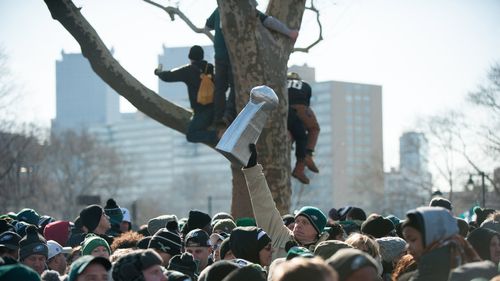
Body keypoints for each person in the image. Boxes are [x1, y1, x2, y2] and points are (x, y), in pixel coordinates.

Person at [205, 2, 299, 130]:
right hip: (235, 54)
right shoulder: (243, 9)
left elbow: (207, 26)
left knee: (220, 88)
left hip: (219, 53)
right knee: (235, 86)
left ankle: (217, 119)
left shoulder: (219, 9)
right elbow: (268, 21)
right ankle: (228, 116)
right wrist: (289, 33)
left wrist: (217, 37)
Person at [242, 144, 329, 260]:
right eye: (297, 221)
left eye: (305, 223)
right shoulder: (280, 236)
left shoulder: (325, 253)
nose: (298, 226)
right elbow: (263, 203)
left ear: (317, 231)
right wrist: (252, 168)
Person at [155, 45, 220, 145]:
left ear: (190, 57)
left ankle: (216, 135)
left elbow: (169, 76)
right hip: (217, 108)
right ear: (202, 56)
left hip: (202, 112)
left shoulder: (188, 70)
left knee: (191, 135)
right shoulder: (210, 68)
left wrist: (159, 73)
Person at [401, 206, 481, 280]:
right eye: (407, 241)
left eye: (413, 239)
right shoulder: (459, 248)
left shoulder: (433, 268)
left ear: (432, 235)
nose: (407, 247)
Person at [287, 72, 320, 182]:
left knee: (292, 134)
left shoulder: (281, 82)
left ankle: (299, 168)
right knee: (314, 129)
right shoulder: (305, 85)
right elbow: (306, 102)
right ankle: (308, 155)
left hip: (283, 110)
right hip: (301, 108)